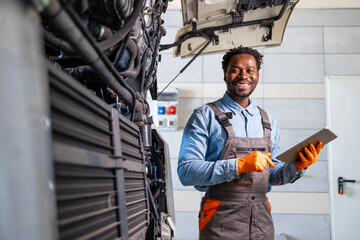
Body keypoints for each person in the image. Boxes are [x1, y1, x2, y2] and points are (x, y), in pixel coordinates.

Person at [177, 46, 323, 239]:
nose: (243, 75)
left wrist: (297, 166)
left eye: (250, 70)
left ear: (257, 75)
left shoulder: (268, 121)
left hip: (262, 218)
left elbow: (272, 175)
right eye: (236, 69)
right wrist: (238, 165)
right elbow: (187, 172)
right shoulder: (205, 116)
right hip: (220, 217)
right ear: (225, 75)